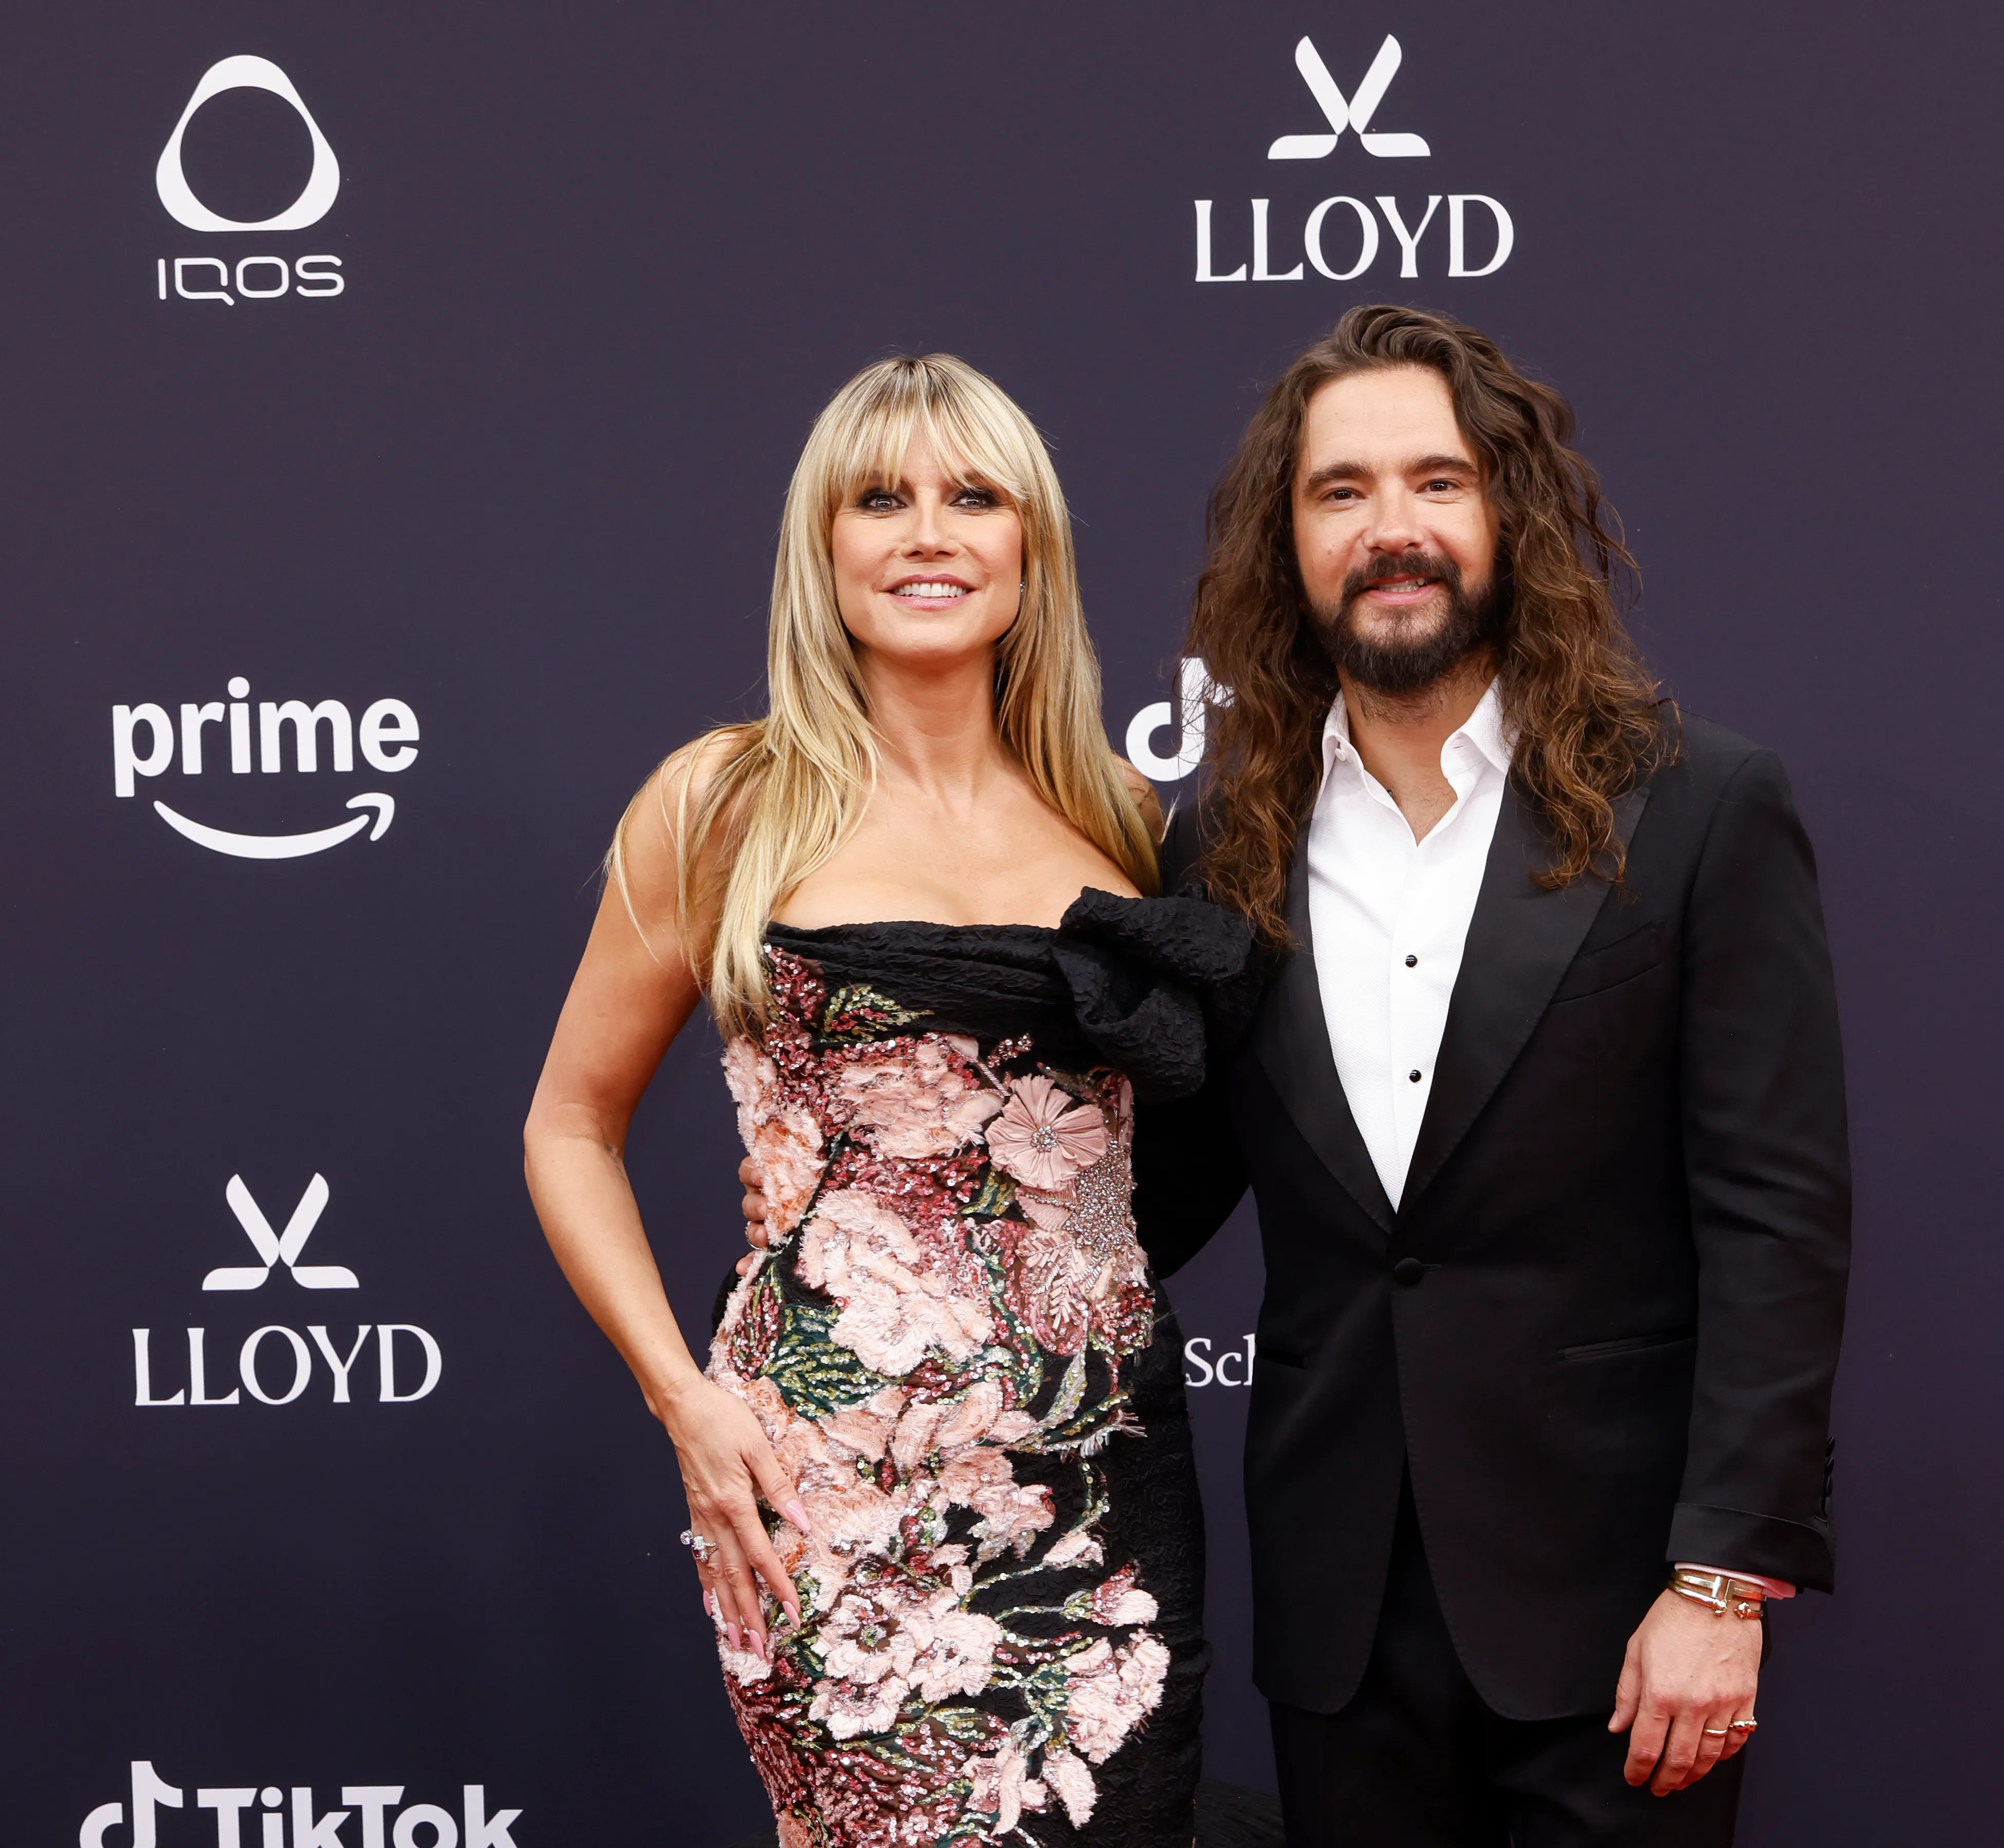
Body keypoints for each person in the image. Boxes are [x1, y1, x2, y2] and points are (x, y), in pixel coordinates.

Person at [740, 306, 1851, 1845]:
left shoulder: (1696, 809)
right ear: (1291, 542)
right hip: (1338, 1627)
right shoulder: (1223, 849)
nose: (1391, 529)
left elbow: (1778, 1221)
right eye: (1341, 493)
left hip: (1617, 1615)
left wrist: (1720, 1582)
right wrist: (887, 1184)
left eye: (1435, 482)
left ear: (1508, 514)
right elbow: (1144, 1189)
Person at [524, 353, 1256, 1847]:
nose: (929, 533)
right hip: (832, 1478)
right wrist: (686, 1401)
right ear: (826, 547)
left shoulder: (1123, 816)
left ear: (1030, 546)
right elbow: (568, 1129)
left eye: (972, 496)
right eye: (882, 498)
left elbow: (1181, 1143)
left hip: (1096, 1471)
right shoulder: (723, 805)